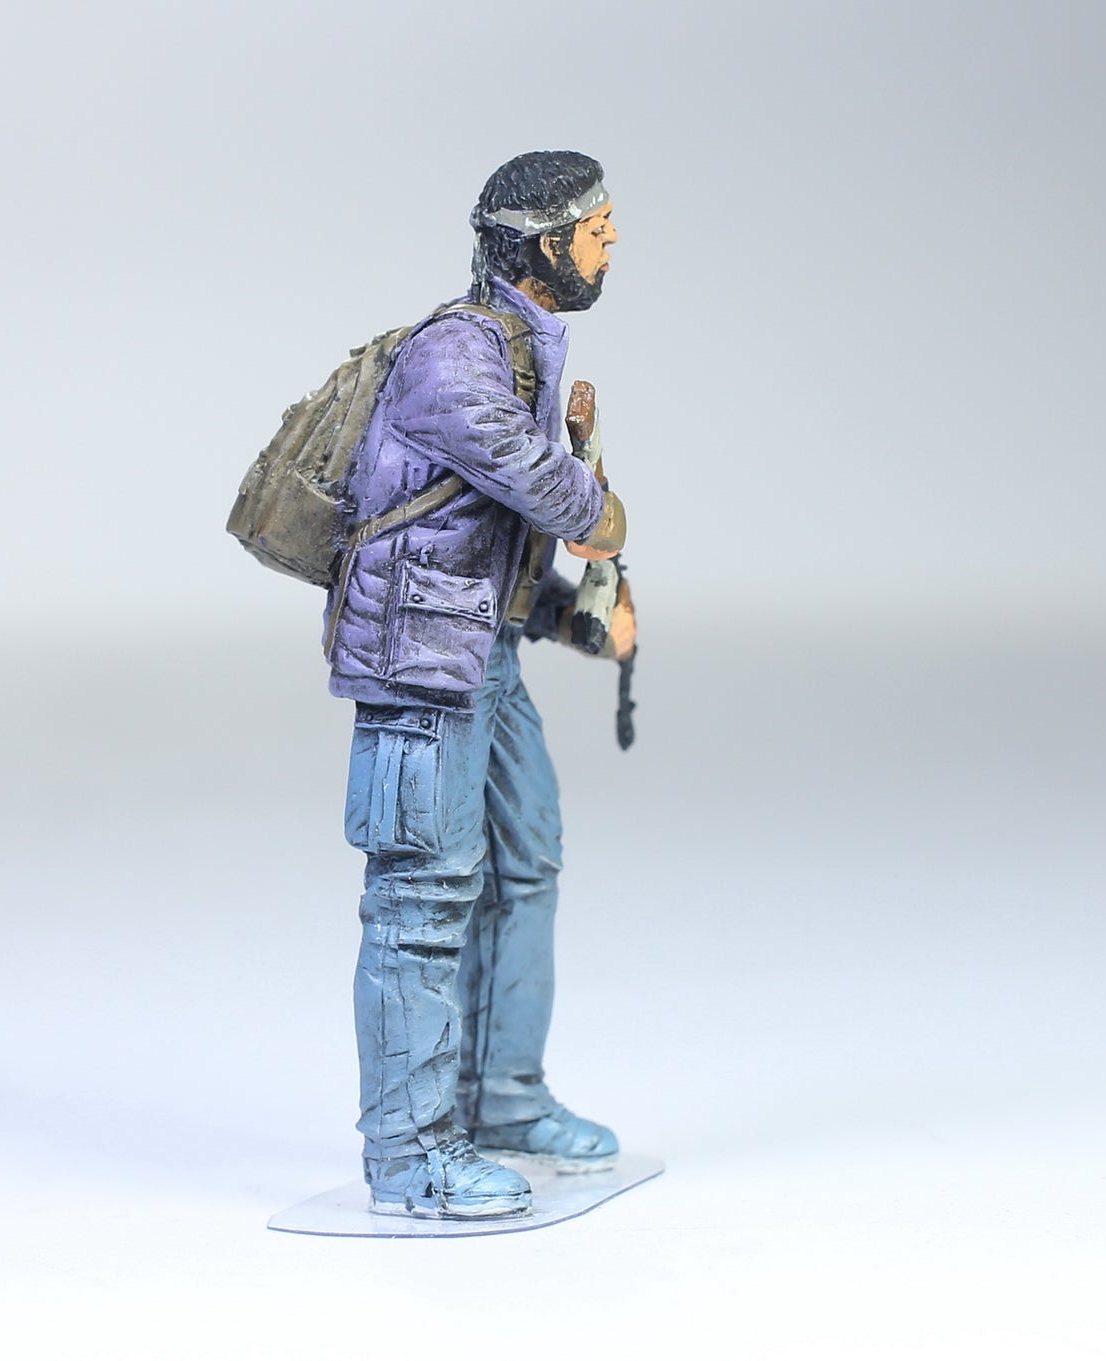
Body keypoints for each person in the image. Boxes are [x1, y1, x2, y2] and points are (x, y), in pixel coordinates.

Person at [323, 150, 634, 1218]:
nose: (612, 241)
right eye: (596, 227)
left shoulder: (524, 347)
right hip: (420, 665)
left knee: (524, 861)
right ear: (546, 245)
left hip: (480, 655)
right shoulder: (456, 355)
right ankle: (408, 1152)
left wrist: (572, 615)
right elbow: (551, 495)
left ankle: (502, 1097)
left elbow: (484, 542)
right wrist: (603, 510)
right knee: (420, 897)